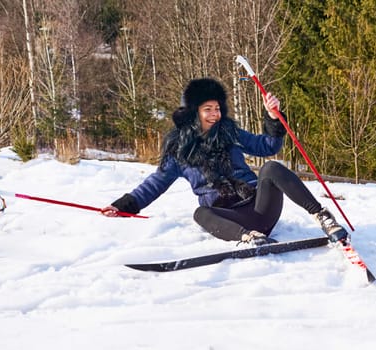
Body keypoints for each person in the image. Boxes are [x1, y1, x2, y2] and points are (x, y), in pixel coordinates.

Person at [102, 78, 349, 246]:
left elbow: (268, 147)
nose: (215, 114)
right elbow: (154, 184)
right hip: (230, 221)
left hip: (260, 207)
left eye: (217, 108)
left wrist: (273, 117)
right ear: (193, 112)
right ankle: (248, 238)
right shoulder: (180, 151)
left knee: (271, 167)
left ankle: (323, 217)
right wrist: (123, 206)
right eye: (207, 109)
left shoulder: (229, 133)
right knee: (200, 212)